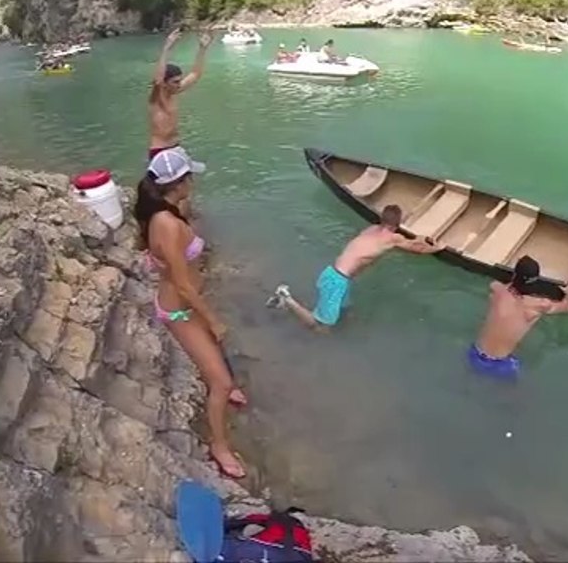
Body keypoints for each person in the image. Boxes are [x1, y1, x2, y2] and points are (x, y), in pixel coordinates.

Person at [133, 148, 247, 479]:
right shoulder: (167, 224)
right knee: (221, 382)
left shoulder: (166, 211)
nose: (193, 181)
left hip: (188, 303)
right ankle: (220, 446)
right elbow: (182, 286)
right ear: (179, 183)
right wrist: (212, 319)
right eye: (189, 177)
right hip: (180, 310)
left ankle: (226, 389)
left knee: (215, 353)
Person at [266, 205, 445, 330]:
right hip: (337, 281)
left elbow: (411, 242)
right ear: (398, 224)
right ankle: (286, 298)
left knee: (347, 312)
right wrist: (438, 248)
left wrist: (420, 239)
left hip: (334, 274)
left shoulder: (371, 229)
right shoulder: (393, 238)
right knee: (319, 327)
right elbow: (416, 249)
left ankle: (341, 327)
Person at [469, 256, 568, 380]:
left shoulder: (498, 290)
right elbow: (566, 307)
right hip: (499, 365)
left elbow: (500, 285)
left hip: (475, 353)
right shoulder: (539, 305)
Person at [149, 28, 212, 163]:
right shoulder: (157, 99)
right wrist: (167, 48)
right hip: (160, 150)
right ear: (165, 83)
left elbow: (195, 74)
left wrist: (202, 49)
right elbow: (158, 79)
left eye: (179, 81)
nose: (179, 84)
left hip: (175, 146)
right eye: (175, 82)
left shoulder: (174, 91)